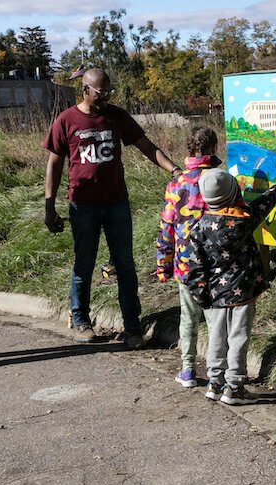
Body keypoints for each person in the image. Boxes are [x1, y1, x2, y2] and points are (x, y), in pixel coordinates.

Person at [43, 67, 181, 348]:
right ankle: (81, 320)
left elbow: (146, 145)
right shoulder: (66, 120)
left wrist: (174, 169)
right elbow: (54, 164)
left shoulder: (116, 116)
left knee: (125, 265)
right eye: (100, 93)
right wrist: (49, 205)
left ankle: (133, 326)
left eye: (108, 93)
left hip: (116, 203)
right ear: (85, 89)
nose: (105, 98)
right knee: (84, 263)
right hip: (83, 206)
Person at [186, 169, 276, 405]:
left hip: (215, 296)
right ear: (233, 193)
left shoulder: (198, 229)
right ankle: (234, 387)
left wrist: (202, 297)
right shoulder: (243, 219)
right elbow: (263, 205)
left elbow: (195, 270)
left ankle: (214, 382)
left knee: (217, 338)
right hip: (243, 291)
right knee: (238, 337)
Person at [156, 126, 222, 388]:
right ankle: (219, 374)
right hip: (217, 263)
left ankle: (187, 371)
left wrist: (163, 265)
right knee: (215, 320)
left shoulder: (176, 184)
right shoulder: (220, 179)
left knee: (188, 318)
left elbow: (166, 229)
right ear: (213, 149)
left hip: (185, 264)